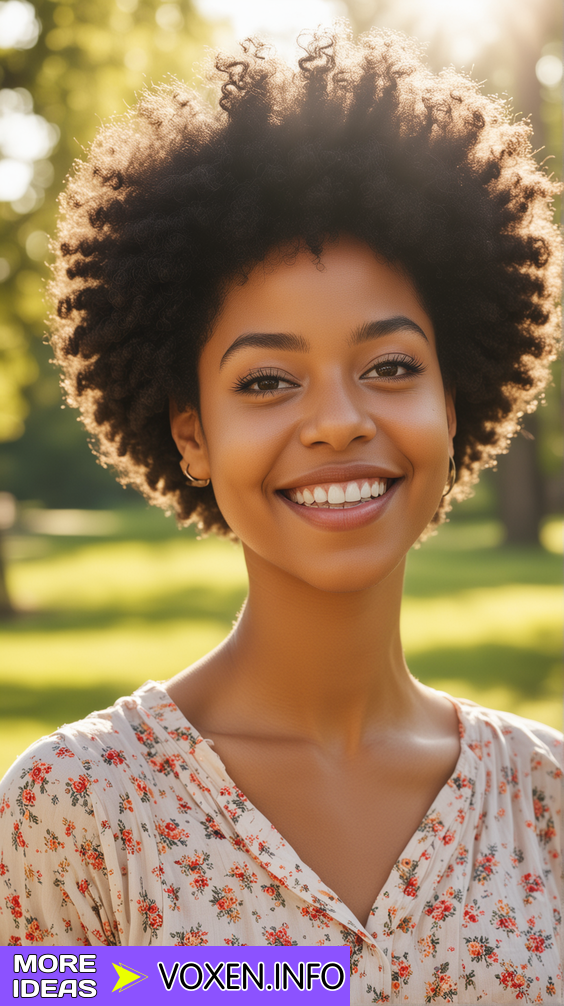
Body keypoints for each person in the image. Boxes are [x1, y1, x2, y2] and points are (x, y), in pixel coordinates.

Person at [0, 26, 561, 1003]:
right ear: (193, 436)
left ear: (453, 403)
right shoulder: (79, 814)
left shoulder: (550, 806)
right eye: (266, 380)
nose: (340, 422)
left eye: (391, 366)